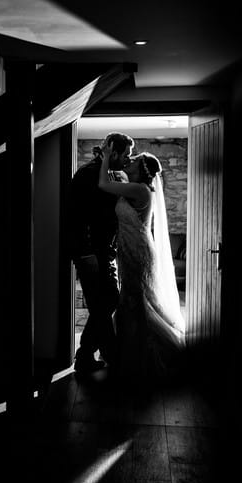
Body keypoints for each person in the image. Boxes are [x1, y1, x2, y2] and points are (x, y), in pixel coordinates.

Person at [97, 145, 186, 387]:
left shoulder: (140, 190)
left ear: (142, 170)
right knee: (131, 299)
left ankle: (140, 359)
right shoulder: (136, 188)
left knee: (136, 300)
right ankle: (128, 354)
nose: (130, 160)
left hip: (137, 251)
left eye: (134, 160)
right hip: (130, 248)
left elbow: (104, 184)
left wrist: (106, 157)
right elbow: (115, 179)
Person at [69, 132, 133, 373]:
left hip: (105, 252)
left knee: (105, 302)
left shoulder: (107, 173)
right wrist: (86, 254)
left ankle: (86, 354)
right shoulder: (88, 174)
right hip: (91, 253)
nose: (128, 159)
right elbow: (77, 217)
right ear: (113, 153)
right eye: (125, 154)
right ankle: (109, 355)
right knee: (103, 302)